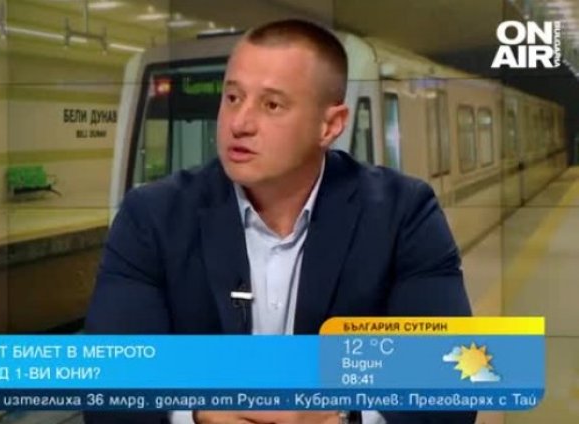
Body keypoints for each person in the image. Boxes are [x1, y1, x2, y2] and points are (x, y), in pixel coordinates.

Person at [85, 19, 475, 424]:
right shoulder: (150, 218)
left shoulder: (404, 215)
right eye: (233, 97)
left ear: (330, 125)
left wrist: (343, 415)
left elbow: (450, 386)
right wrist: (195, 411)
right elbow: (110, 390)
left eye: (271, 105)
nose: (239, 123)